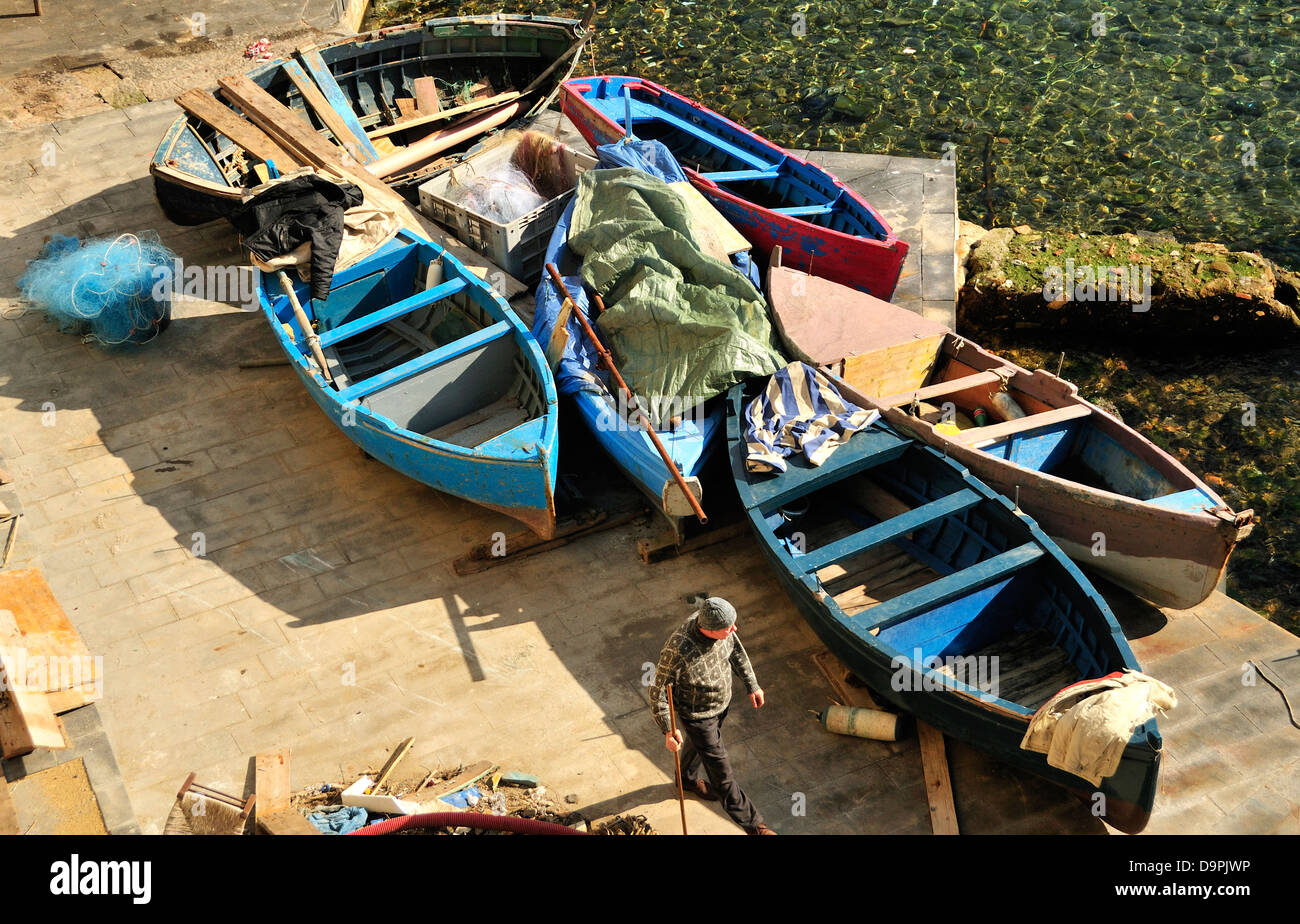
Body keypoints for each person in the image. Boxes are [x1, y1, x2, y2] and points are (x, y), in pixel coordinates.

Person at [648, 597, 775, 835]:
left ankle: (686, 779)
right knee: (722, 775)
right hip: (697, 716)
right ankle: (756, 827)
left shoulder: (723, 629)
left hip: (720, 704)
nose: (734, 629)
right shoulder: (678, 649)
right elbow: (657, 692)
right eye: (728, 627)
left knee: (698, 747)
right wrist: (667, 729)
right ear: (709, 629)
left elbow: (736, 652)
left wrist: (752, 685)